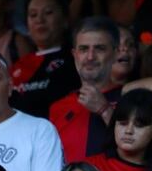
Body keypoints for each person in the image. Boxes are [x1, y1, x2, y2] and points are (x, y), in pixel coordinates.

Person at [46, 17, 121, 162]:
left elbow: (140, 151)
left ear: (116, 54)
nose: (90, 56)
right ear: (75, 55)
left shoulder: (129, 98)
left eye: (99, 48)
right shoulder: (58, 108)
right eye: (83, 49)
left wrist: (104, 110)